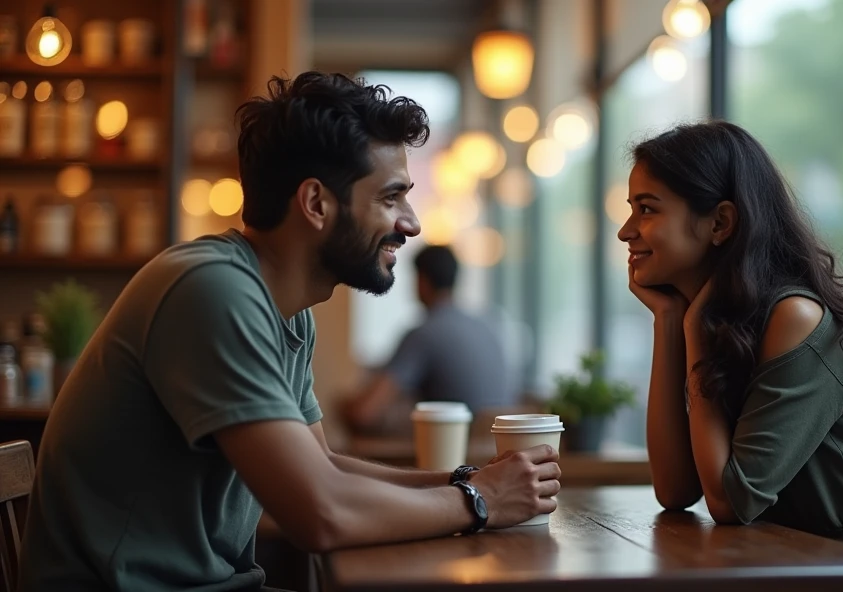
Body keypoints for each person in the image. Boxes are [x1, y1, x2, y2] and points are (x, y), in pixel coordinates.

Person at [17, 72, 560, 592]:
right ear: (317, 203)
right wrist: (480, 502)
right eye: (391, 197)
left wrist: (464, 480)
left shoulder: (285, 309)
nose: (412, 222)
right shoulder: (211, 290)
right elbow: (320, 512)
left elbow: (320, 467)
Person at [617, 121, 843, 592]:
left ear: (720, 223)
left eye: (646, 209)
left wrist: (693, 328)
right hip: (808, 561)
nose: (625, 232)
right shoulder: (723, 324)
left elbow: (728, 500)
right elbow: (676, 490)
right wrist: (669, 320)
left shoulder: (795, 318)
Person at [343, 245, 515, 435]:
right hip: (494, 451)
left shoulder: (424, 334)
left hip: (452, 455)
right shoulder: (488, 326)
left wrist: (343, 408)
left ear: (422, 281)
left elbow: (364, 413)